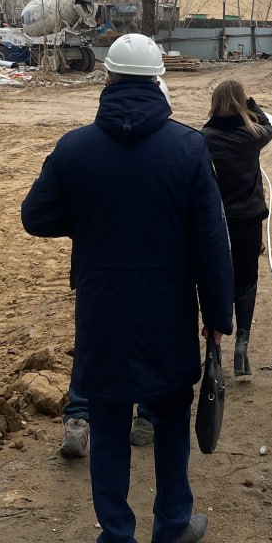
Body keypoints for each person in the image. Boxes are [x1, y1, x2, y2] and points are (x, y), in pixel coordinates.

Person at [22, 34, 233, 543]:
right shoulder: (187, 148)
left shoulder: (75, 148)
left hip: (104, 311)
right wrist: (217, 316)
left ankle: (117, 542)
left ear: (108, 78)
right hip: (168, 311)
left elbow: (36, 216)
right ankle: (172, 526)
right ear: (159, 80)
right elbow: (211, 241)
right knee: (170, 417)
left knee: (109, 422)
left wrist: (90, 221)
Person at [60, 76, 175, 459]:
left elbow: (38, 215)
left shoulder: (82, 147)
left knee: (93, 347)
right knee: (148, 346)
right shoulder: (178, 149)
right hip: (155, 277)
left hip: (98, 275)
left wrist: (82, 223)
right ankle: (146, 417)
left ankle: (79, 417)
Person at [199, 79, 272, 378]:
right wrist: (252, 105)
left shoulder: (203, 138)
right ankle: (242, 343)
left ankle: (214, 347)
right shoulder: (253, 135)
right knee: (246, 281)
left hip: (216, 222)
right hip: (248, 221)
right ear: (241, 103)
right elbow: (268, 126)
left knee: (214, 281)